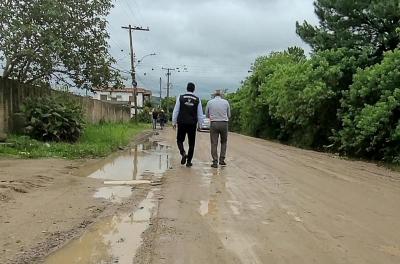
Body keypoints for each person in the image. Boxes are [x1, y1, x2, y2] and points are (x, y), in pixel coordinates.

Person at [172, 82, 204, 167]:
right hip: (192, 124)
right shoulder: (197, 99)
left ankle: (183, 153)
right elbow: (200, 114)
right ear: (194, 89)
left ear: (186, 88)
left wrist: (174, 122)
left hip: (181, 122)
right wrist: (200, 125)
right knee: (191, 143)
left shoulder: (180, 97)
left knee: (179, 140)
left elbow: (176, 111)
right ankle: (189, 161)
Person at [205, 90, 231, 168]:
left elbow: (206, 114)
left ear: (214, 95)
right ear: (221, 95)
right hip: (224, 123)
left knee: (214, 143)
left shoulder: (210, 102)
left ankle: (215, 161)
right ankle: (222, 160)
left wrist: (213, 116)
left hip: (214, 123)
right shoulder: (226, 102)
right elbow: (229, 115)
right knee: (224, 142)